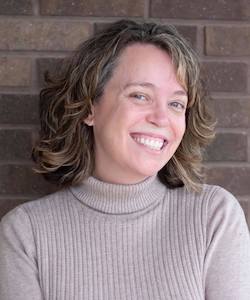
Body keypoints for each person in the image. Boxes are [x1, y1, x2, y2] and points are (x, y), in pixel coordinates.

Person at [0, 19, 249, 300]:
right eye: (140, 96)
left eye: (176, 104)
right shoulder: (25, 234)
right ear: (90, 107)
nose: (161, 117)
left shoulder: (214, 217)